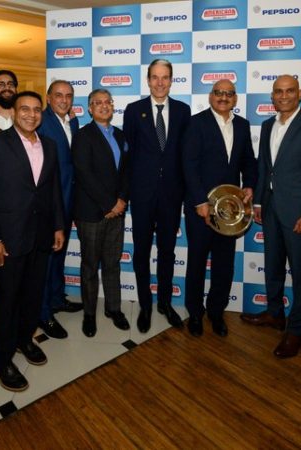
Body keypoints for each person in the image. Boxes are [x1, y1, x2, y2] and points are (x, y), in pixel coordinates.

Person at [0, 91, 65, 391]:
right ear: (13, 113)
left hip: (41, 234)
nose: (31, 114)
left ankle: (24, 339)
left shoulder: (49, 145)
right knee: (7, 299)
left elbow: (52, 190)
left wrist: (58, 226)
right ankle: (1, 360)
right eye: (24, 109)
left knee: (32, 294)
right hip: (8, 237)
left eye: (37, 110)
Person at [241, 75, 301, 358]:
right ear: (272, 96)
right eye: (278, 91)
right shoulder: (268, 125)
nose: (284, 96)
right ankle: (274, 313)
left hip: (299, 214)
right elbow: (264, 167)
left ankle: (296, 330)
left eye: (289, 91)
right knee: (273, 266)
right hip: (271, 209)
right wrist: (259, 202)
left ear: (299, 94)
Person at [182, 79, 257, 337]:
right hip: (201, 209)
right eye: (218, 93)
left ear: (235, 98)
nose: (223, 97)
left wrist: (249, 185)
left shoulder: (243, 125)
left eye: (228, 93)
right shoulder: (196, 123)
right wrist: (200, 201)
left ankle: (216, 312)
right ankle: (195, 313)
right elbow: (188, 164)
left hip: (230, 211)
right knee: (197, 262)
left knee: (224, 264)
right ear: (210, 96)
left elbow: (248, 161)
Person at [123, 59, 191, 333]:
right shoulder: (134, 110)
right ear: (148, 80)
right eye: (155, 77)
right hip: (142, 194)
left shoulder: (183, 111)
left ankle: (164, 302)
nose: (160, 82)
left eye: (165, 77)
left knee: (167, 251)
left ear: (171, 80)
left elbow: (185, 154)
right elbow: (128, 155)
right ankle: (145, 306)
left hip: (172, 195)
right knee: (141, 252)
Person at [72, 88, 131, 337]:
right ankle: (89, 314)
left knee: (112, 263)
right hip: (92, 212)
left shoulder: (120, 134)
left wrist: (122, 200)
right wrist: (109, 204)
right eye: (98, 103)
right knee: (89, 266)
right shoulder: (83, 136)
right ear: (89, 108)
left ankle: (113, 309)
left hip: (117, 211)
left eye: (108, 102)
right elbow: (84, 174)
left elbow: (127, 171)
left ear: (113, 105)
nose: (104, 106)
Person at [37, 79, 83, 339]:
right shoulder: (41, 122)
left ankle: (56, 298)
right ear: (48, 98)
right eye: (58, 95)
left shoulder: (71, 122)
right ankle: (43, 313)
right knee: (45, 262)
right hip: (50, 204)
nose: (64, 100)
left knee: (59, 255)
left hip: (69, 201)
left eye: (68, 95)